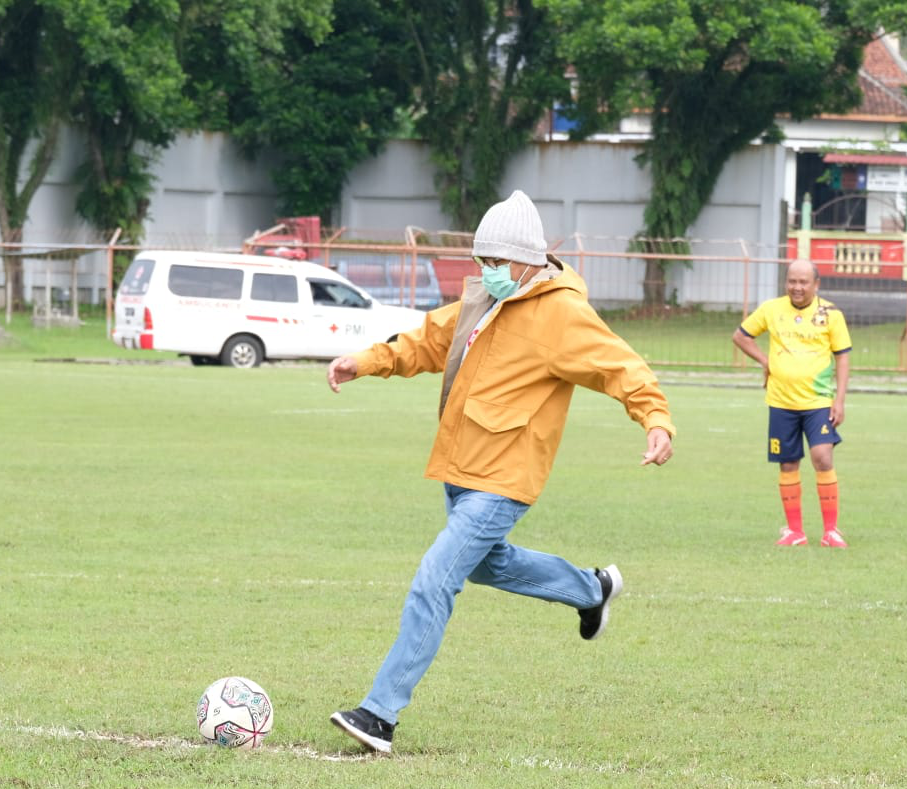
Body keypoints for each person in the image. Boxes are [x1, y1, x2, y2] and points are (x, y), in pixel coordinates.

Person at [324, 190, 676, 754]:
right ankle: (591, 590)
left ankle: (379, 714)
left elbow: (622, 367)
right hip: (460, 468)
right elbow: (426, 341)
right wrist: (366, 361)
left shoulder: (562, 314)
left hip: (506, 478)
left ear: (528, 260)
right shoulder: (479, 298)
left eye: (495, 262)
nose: (484, 271)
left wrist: (655, 419)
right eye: (479, 260)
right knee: (490, 565)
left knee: (434, 579)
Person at [731, 259, 852, 547]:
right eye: (792, 282)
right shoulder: (772, 309)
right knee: (788, 463)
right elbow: (741, 336)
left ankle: (831, 530)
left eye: (803, 282)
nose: (797, 287)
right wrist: (765, 361)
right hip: (781, 402)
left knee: (823, 457)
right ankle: (795, 532)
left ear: (816, 284)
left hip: (818, 402)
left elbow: (843, 356)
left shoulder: (831, 314)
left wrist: (840, 399)